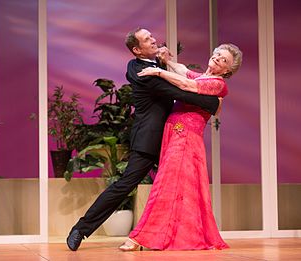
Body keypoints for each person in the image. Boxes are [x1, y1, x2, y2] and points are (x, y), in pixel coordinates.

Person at [66, 28, 222, 251]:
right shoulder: (139, 69)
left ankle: (184, 236)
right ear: (137, 50)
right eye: (147, 39)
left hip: (173, 139)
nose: (154, 40)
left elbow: (182, 79)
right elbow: (179, 92)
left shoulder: (156, 65)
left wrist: (165, 63)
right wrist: (213, 104)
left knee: (185, 186)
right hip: (149, 140)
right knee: (125, 185)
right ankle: (80, 229)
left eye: (151, 36)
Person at [119, 43, 243, 251]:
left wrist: (159, 71)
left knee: (166, 185)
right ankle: (170, 233)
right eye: (217, 54)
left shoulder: (218, 84)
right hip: (176, 133)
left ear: (227, 70)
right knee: (176, 187)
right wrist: (167, 61)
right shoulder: (204, 77)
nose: (218, 59)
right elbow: (184, 71)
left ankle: (142, 237)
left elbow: (186, 85)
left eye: (224, 60)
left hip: (185, 138)